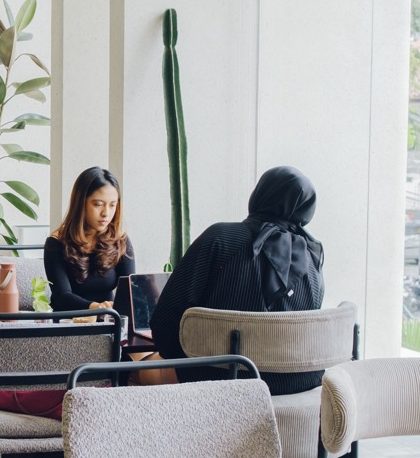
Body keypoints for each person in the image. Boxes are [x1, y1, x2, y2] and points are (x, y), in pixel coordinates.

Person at [149, 165, 325, 395]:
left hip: (219, 379)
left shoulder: (221, 239)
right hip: (298, 383)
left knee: (135, 364)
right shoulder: (313, 257)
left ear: (260, 194)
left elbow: (164, 325)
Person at [44, 167, 135, 311]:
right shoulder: (56, 243)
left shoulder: (120, 239)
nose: (106, 213)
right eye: (98, 204)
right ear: (81, 203)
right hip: (68, 322)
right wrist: (96, 308)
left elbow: (131, 290)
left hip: (109, 321)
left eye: (112, 205)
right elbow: (63, 296)